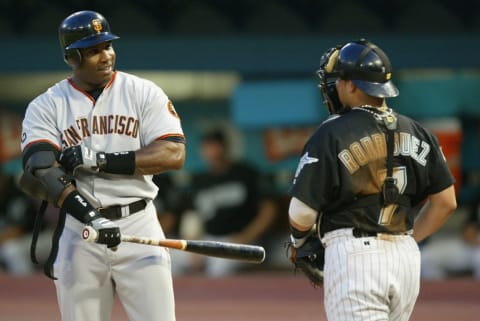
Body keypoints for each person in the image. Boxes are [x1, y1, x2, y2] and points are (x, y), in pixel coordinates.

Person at [19, 10, 185, 321]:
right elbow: (39, 171)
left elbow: (173, 154)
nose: (106, 55)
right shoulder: (47, 104)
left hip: (139, 222)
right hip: (79, 229)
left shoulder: (142, 92)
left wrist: (102, 161)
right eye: (93, 51)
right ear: (72, 58)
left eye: (107, 46)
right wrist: (90, 216)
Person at [287, 39, 457, 321]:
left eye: (338, 80)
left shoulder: (332, 132)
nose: (334, 86)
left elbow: (301, 212)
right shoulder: (419, 131)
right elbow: (446, 202)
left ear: (351, 85)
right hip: (405, 257)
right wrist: (408, 241)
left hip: (356, 254)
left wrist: (299, 241)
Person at [173, 129, 277, 277]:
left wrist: (247, 236)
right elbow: (192, 217)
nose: (211, 152)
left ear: (225, 147)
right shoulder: (200, 180)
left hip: (239, 240)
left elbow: (269, 210)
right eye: (207, 147)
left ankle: (215, 300)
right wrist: (193, 244)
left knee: (219, 266)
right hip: (208, 239)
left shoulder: (245, 173)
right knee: (170, 258)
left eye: (215, 146)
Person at [420, 201, 480, 279]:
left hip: (476, 252)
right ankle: (440, 290)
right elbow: (468, 232)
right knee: (426, 256)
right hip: (470, 247)